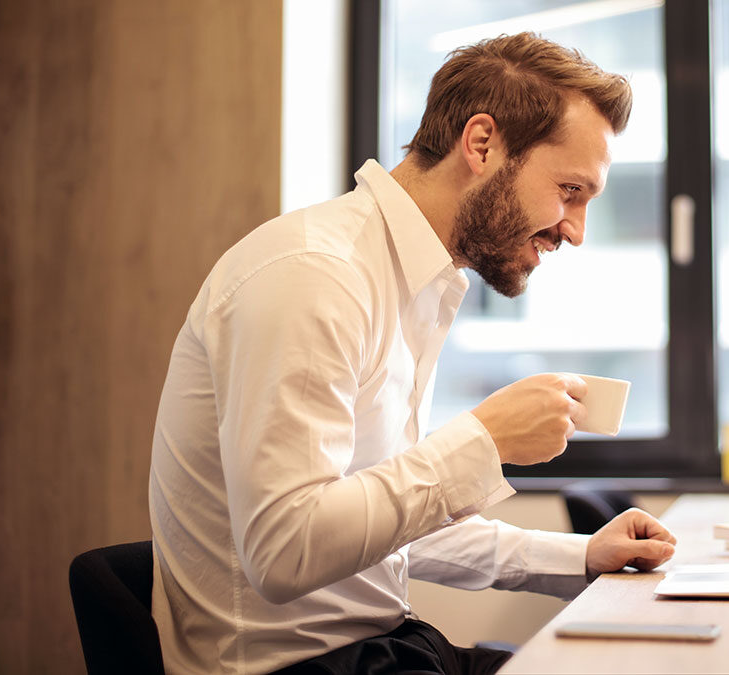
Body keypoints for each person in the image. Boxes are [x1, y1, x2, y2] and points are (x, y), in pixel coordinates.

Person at [148, 32, 677, 675]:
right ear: (481, 145)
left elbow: (380, 528)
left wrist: (580, 557)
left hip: (380, 651)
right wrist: (481, 442)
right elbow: (285, 551)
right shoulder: (315, 275)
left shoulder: (416, 282)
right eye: (570, 191)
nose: (576, 230)